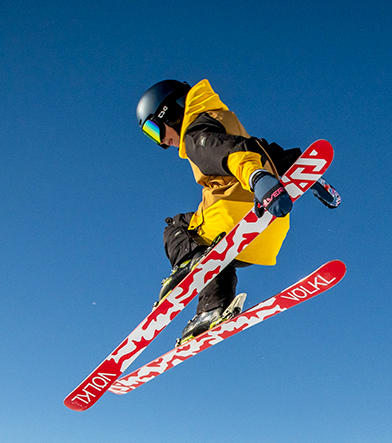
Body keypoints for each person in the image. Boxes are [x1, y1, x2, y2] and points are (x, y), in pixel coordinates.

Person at [136, 78, 340, 341]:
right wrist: (309, 175)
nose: (163, 143)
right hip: (269, 228)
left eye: (155, 131)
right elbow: (262, 152)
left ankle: (189, 263)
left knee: (176, 226)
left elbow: (228, 153)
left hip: (235, 213)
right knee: (215, 255)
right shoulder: (226, 122)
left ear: (170, 111)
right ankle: (212, 309)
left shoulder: (196, 135)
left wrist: (257, 178)